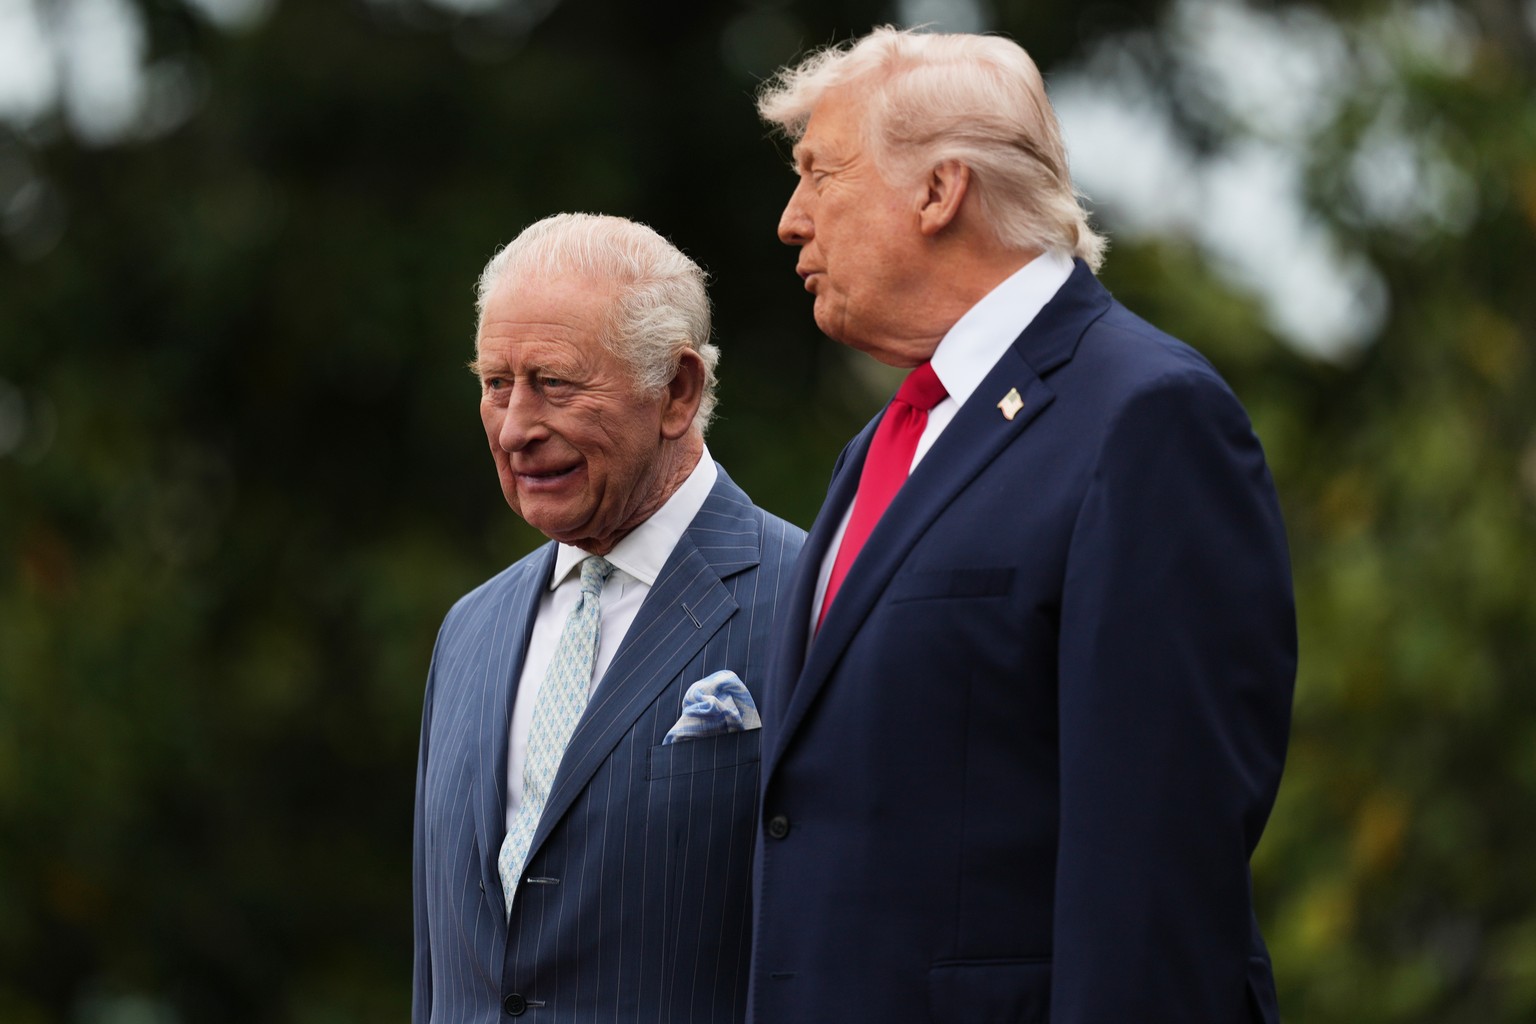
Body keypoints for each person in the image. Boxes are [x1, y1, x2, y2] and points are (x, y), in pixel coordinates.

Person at [748, 27, 1296, 1024]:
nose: (791, 220)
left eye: (819, 174)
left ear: (938, 190)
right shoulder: (882, 445)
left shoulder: (1148, 417)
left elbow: (1154, 871)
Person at [412, 213, 804, 1023]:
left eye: (554, 382)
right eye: (495, 384)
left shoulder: (811, 597)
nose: (516, 427)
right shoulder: (470, 632)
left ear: (678, 391)